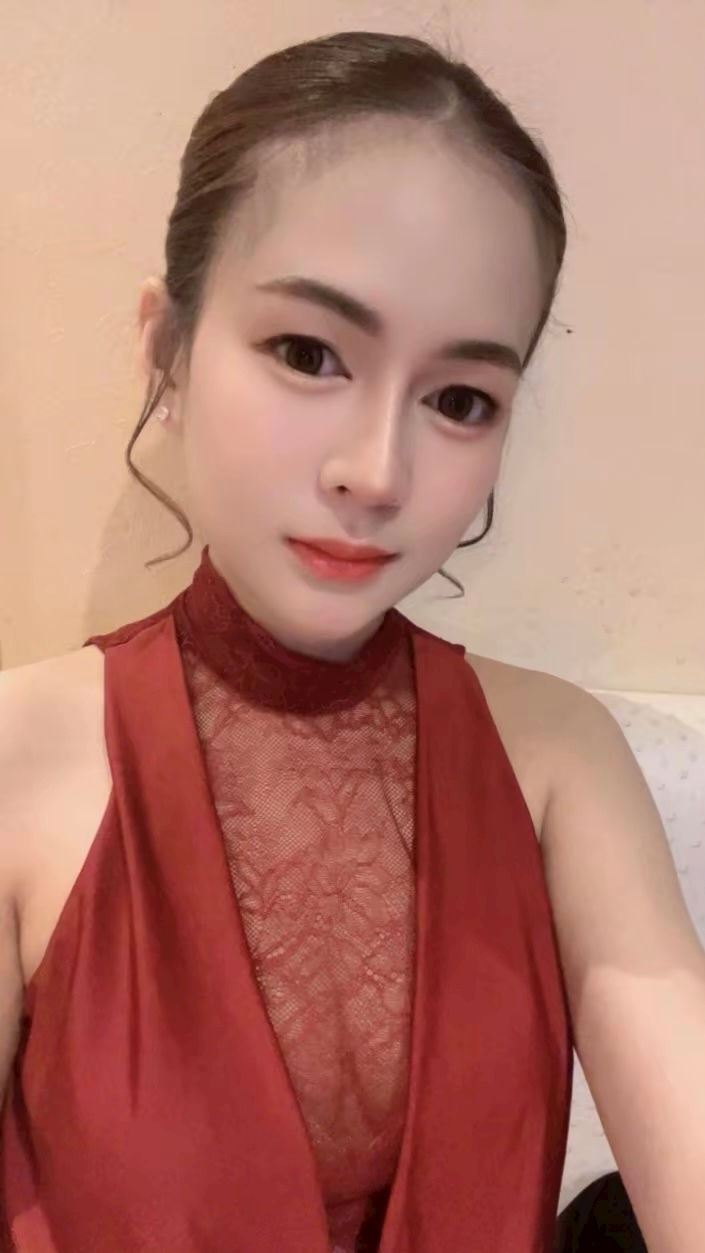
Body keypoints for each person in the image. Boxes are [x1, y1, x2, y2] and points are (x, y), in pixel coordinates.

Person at [0, 29, 702, 1253]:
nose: (376, 473)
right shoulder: (16, 760)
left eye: (460, 399)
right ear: (166, 345)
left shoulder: (557, 758)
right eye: (307, 352)